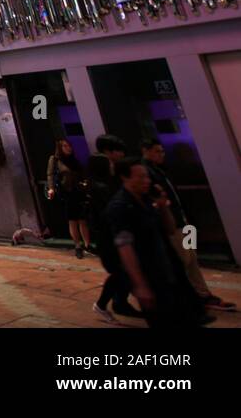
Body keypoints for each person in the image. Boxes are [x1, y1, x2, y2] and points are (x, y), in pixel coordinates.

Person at [106, 160, 210, 327]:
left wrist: (163, 206)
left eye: (146, 176)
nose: (146, 181)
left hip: (169, 267)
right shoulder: (119, 207)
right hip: (150, 275)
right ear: (124, 178)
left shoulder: (147, 198)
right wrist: (140, 285)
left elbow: (169, 228)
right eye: (140, 177)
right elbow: (125, 248)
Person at [140, 138, 235, 311]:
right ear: (145, 151)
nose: (162, 154)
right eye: (157, 151)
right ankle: (191, 297)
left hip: (183, 221)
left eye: (162, 151)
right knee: (183, 260)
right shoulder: (148, 172)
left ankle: (202, 294)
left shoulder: (161, 170)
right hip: (174, 224)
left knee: (191, 258)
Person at [88, 134, 140, 323]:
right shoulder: (101, 185)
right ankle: (102, 305)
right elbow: (107, 213)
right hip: (109, 236)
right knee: (121, 271)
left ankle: (120, 303)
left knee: (124, 271)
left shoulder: (107, 180)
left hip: (113, 234)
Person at [46, 139, 90, 258]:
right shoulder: (55, 160)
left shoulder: (74, 159)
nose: (68, 148)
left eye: (69, 145)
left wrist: (85, 183)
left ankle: (87, 245)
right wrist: (51, 188)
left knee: (83, 219)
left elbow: (82, 173)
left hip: (79, 192)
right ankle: (77, 246)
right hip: (67, 193)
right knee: (73, 220)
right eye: (65, 146)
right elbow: (50, 174)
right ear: (60, 148)